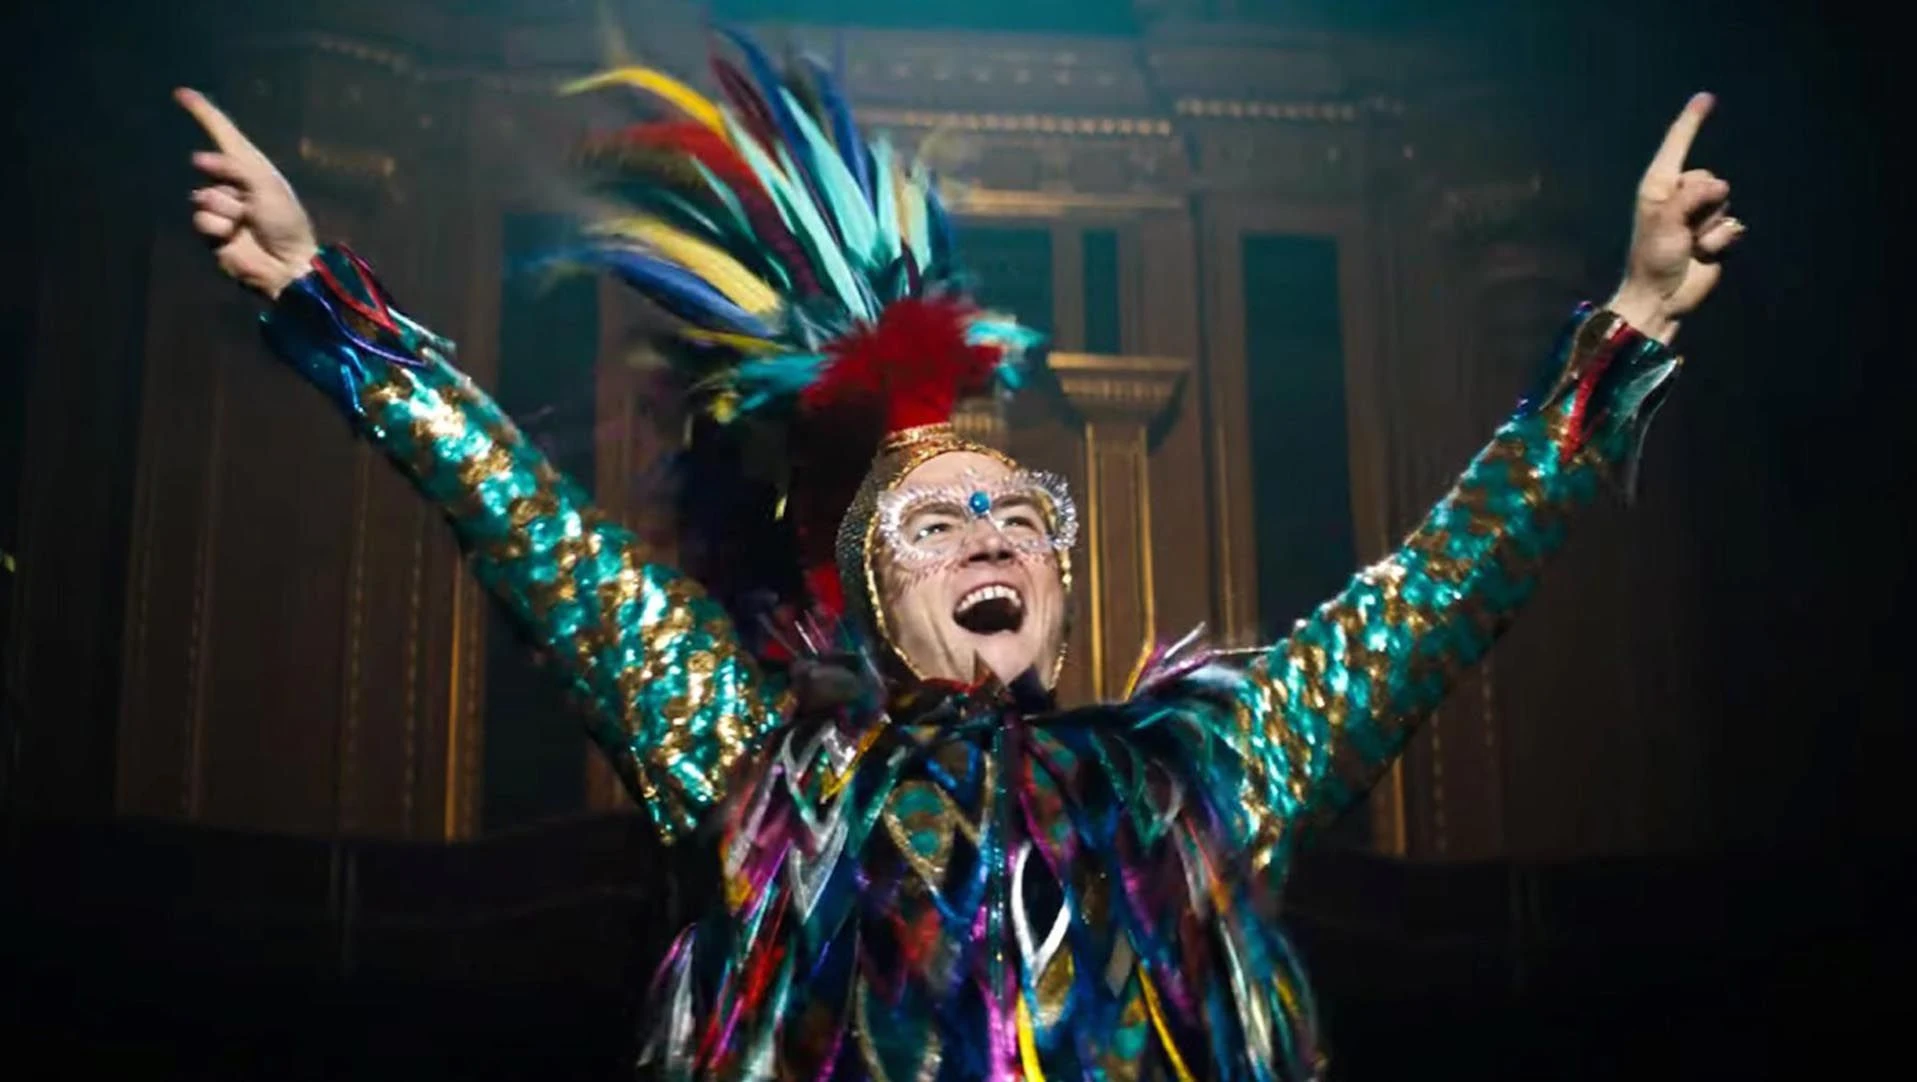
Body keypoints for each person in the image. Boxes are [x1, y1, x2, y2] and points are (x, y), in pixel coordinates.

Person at [174, 29, 1741, 1082]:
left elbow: (1439, 585)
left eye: (1018, 515)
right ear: (873, 595)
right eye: (937, 522)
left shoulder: (1199, 774)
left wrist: (1631, 323)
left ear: (1056, 580)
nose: (991, 530)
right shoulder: (760, 769)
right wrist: (321, 297)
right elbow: (534, 532)